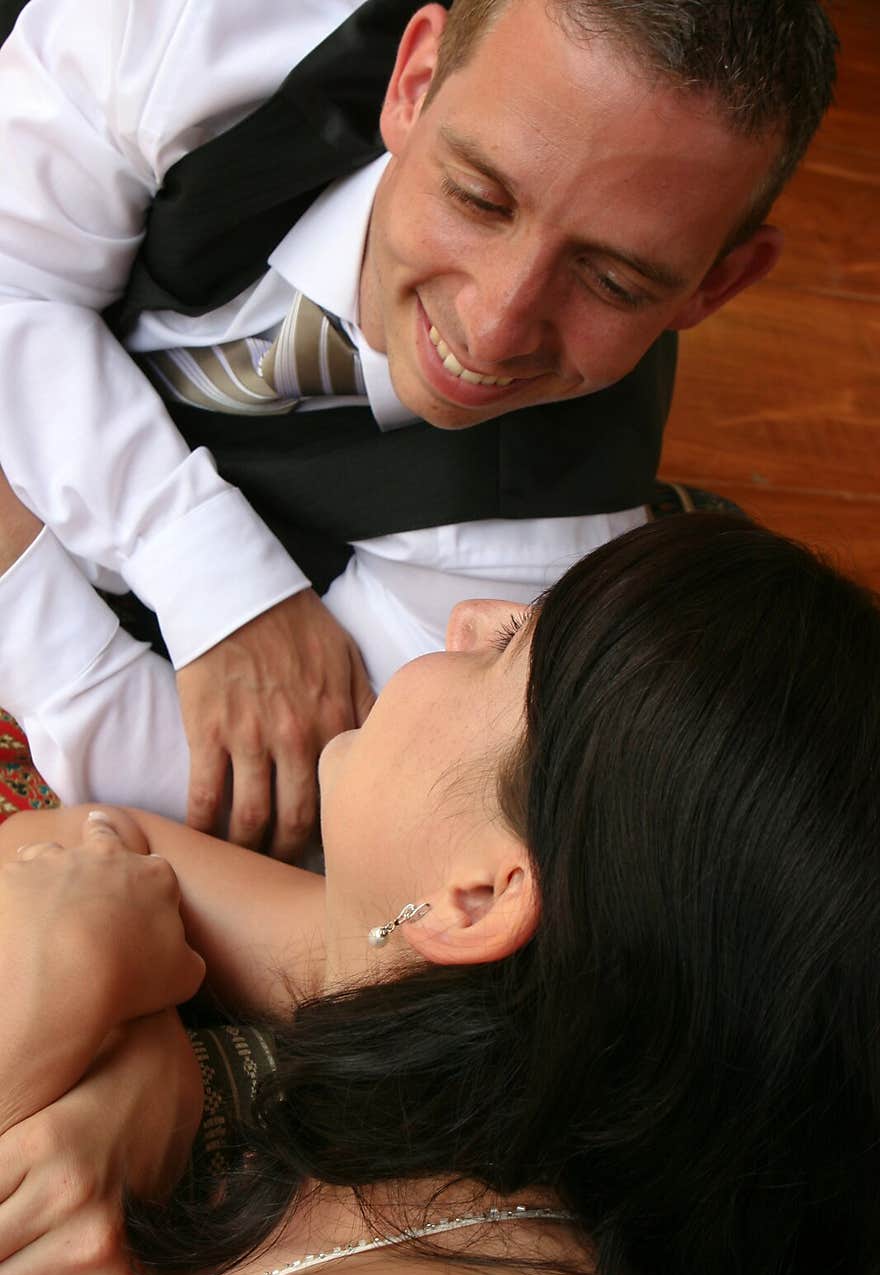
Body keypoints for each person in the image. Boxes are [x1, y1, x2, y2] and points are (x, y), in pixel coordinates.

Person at [0, 0, 839, 858]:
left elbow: (261, 798)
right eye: (479, 199)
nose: (495, 325)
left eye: (614, 282)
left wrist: (10, 561)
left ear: (720, 286)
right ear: (413, 81)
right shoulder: (207, 23)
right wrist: (204, 568)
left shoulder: (542, 573)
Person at [1, 513, 878, 1275]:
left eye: (504, 648)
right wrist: (148, 1073)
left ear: (481, 897)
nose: (464, 618)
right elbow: (82, 847)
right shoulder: (457, 998)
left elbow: (83, 878)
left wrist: (30, 1036)